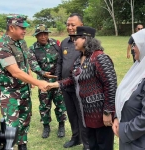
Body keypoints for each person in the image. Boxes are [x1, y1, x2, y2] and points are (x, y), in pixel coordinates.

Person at [48, 26, 117, 150]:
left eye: (77, 38)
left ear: (86, 39)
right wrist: (55, 84)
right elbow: (71, 79)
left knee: (103, 145)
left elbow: (111, 85)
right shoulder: (79, 59)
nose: (74, 41)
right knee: (92, 144)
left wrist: (108, 111)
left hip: (100, 113)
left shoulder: (99, 57)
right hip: (86, 113)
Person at [0, 14, 47, 150]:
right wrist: (38, 82)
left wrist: (29, 77)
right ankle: (9, 147)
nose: (24, 30)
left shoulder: (21, 42)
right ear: (11, 28)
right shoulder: (2, 46)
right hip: (9, 92)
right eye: (21, 28)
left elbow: (26, 62)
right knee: (12, 124)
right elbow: (15, 72)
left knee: (25, 120)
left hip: (24, 90)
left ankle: (22, 145)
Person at [56, 13, 90, 149]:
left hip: (80, 87)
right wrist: (59, 79)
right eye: (68, 24)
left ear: (81, 26)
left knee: (83, 116)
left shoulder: (87, 42)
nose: (69, 27)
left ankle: (86, 143)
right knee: (71, 114)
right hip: (65, 86)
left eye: (73, 25)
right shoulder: (64, 42)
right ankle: (76, 138)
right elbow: (60, 62)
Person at [28, 24, 67, 139]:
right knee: (44, 105)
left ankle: (61, 125)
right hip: (43, 81)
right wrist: (42, 73)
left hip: (57, 80)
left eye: (45, 34)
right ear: (36, 36)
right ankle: (46, 126)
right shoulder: (33, 48)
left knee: (60, 103)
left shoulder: (56, 44)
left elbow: (62, 58)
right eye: (40, 35)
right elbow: (32, 63)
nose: (43, 37)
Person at [113, 29, 145, 150]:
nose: (132, 48)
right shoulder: (138, 68)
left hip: (139, 142)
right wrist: (117, 117)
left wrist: (123, 130)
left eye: (135, 44)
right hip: (128, 139)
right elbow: (124, 95)